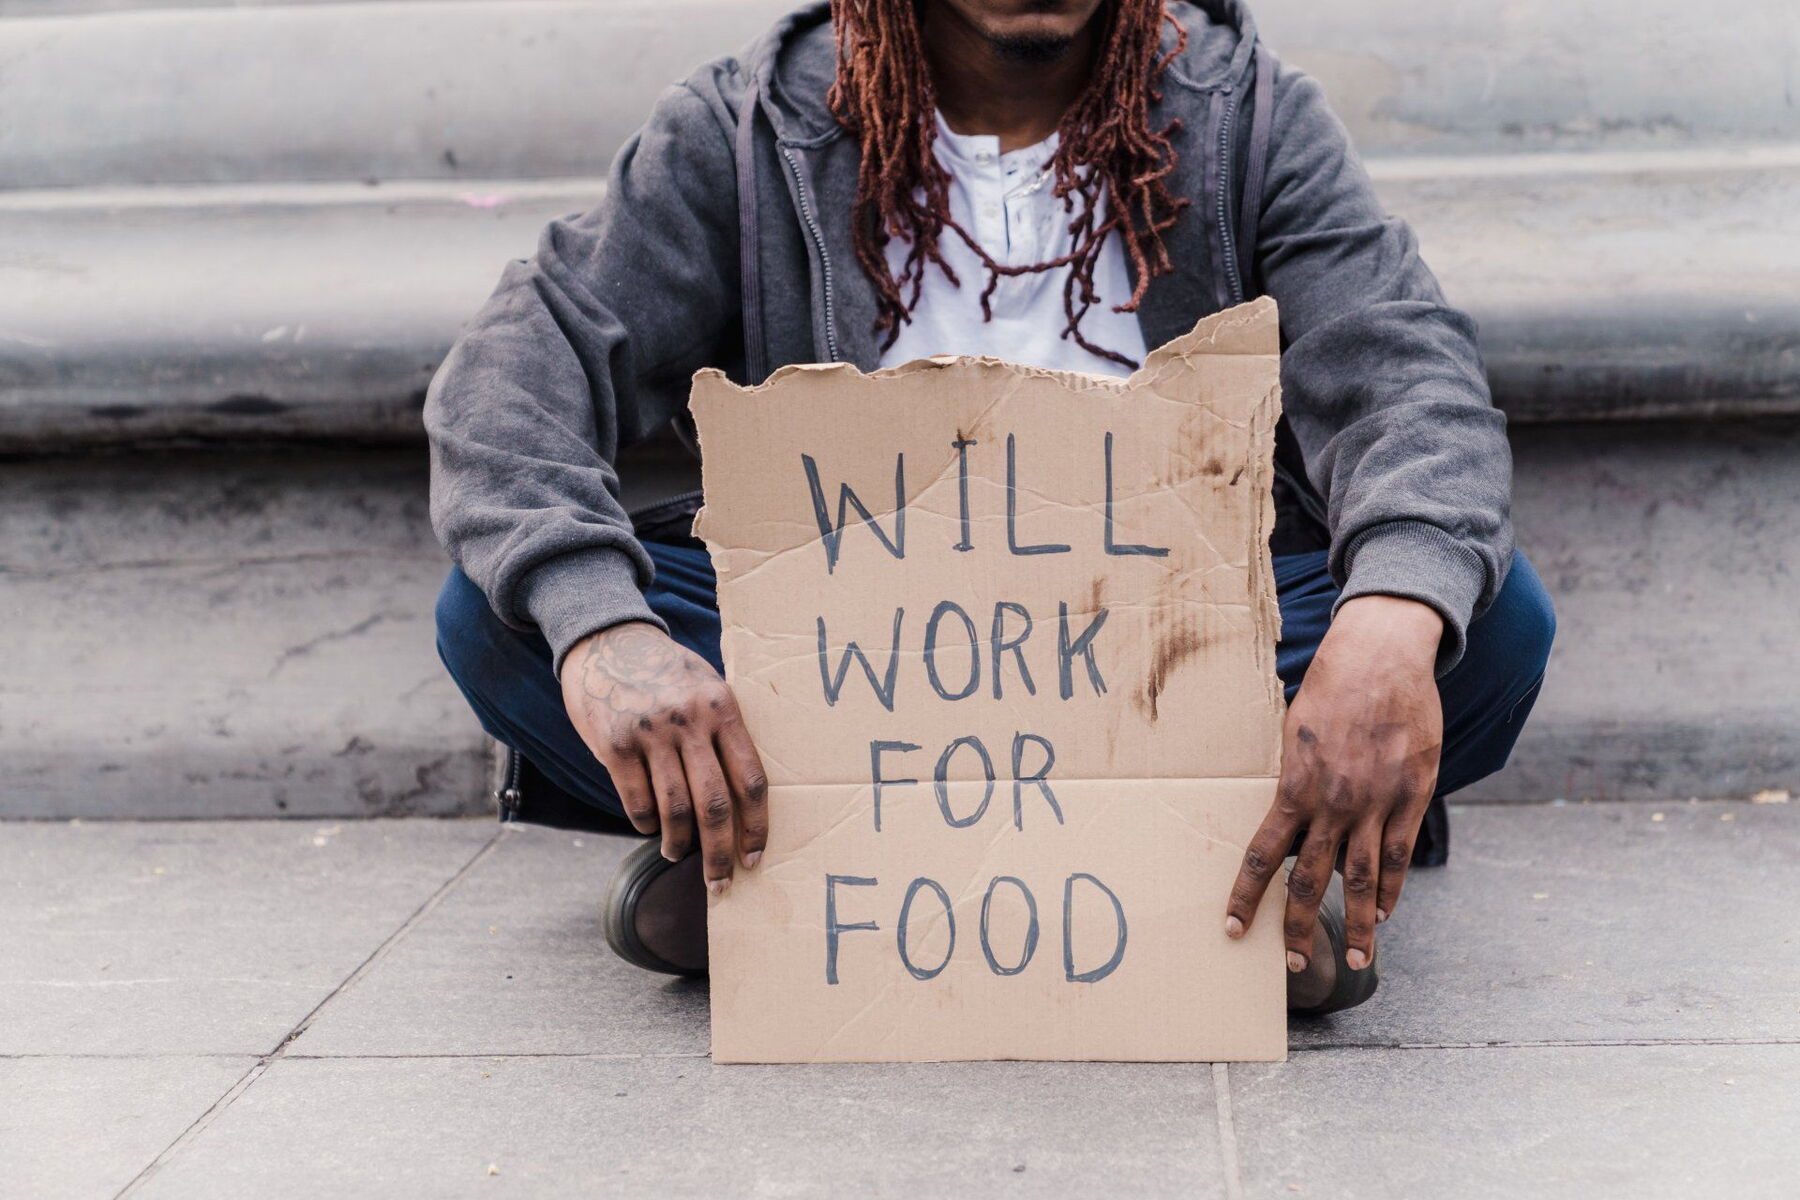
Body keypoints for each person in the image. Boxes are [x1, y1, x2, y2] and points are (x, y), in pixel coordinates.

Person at [427, 0, 1555, 1015]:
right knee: (500, 619)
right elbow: (521, 367)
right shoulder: (751, 128)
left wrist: (1390, 620)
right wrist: (607, 632)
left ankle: (795, 888)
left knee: (1484, 624)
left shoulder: (1241, 114)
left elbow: (1408, 377)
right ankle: (1197, 893)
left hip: (1176, 661)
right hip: (860, 673)